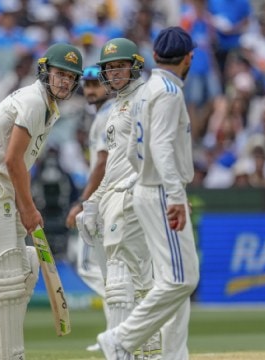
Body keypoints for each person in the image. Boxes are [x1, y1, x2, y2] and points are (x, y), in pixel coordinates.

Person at [0, 43, 83, 360]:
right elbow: (13, 160)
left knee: (23, 268)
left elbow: (18, 163)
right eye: (60, 74)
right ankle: (10, 355)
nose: (65, 82)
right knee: (8, 275)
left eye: (71, 77)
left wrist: (23, 203)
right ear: (46, 72)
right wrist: (28, 207)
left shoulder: (48, 106)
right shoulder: (33, 101)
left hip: (1, 186)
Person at [97, 26, 200, 360]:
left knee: (177, 281)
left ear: (154, 57)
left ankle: (172, 354)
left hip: (148, 187)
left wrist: (142, 179)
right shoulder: (168, 90)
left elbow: (130, 149)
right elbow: (161, 146)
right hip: (160, 190)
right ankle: (121, 339)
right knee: (180, 280)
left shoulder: (145, 91)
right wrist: (172, 194)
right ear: (189, 58)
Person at [80, 38, 159, 359]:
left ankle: (121, 350)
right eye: (108, 68)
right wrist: (93, 203)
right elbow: (112, 164)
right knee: (141, 281)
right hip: (116, 196)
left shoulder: (143, 99)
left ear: (134, 66)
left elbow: (152, 153)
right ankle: (149, 350)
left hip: (131, 197)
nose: (112, 73)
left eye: (119, 67)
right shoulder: (118, 107)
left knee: (118, 274)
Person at [64, 65, 113, 352]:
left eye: (97, 84)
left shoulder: (107, 116)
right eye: (88, 85)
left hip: (104, 202)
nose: (91, 90)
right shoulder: (104, 116)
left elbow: (103, 164)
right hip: (107, 199)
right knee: (111, 272)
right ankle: (117, 332)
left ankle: (121, 330)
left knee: (89, 265)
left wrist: (83, 201)